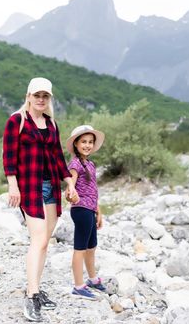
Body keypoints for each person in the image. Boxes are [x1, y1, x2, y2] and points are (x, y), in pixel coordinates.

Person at [3, 77, 79, 322]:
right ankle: (32, 296)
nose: (40, 99)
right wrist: (13, 186)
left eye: (45, 96)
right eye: (37, 95)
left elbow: (57, 157)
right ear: (28, 95)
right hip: (29, 187)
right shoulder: (17, 121)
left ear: (49, 99)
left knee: (45, 241)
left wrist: (69, 182)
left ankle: (33, 287)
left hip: (50, 188)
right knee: (38, 240)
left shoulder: (51, 124)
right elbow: (9, 156)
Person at [65, 125, 107, 300]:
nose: (87, 145)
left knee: (92, 246)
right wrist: (70, 193)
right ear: (76, 144)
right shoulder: (75, 164)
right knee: (80, 248)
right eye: (83, 142)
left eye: (90, 142)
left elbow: (92, 189)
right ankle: (78, 286)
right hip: (81, 209)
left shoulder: (90, 164)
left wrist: (98, 211)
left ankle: (92, 279)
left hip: (90, 209)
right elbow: (70, 184)